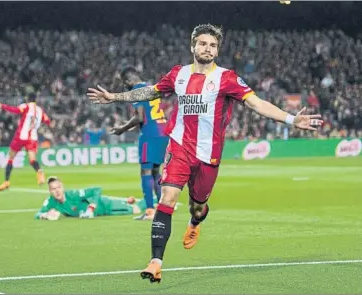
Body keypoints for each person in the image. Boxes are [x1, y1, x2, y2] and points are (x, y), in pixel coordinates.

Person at [87, 24, 323, 283]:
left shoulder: (227, 78)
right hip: (178, 147)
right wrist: (115, 97)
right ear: (193, 46)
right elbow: (151, 90)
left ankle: (195, 222)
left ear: (217, 50)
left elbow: (257, 104)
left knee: (197, 206)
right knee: (167, 197)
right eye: (203, 43)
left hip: (208, 154)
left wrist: (291, 120)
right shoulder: (178, 75)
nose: (207, 49)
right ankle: (156, 262)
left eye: (212, 45)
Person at [110, 67, 169, 221]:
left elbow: (140, 117)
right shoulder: (151, 87)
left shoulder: (137, 90)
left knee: (146, 172)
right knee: (156, 172)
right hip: (163, 132)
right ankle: (162, 209)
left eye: (125, 84)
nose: (126, 87)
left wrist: (122, 129)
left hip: (149, 134)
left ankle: (150, 211)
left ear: (129, 80)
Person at [0, 93, 51, 191]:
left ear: (27, 99)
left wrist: (2, 106)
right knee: (32, 159)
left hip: (21, 136)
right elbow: (47, 121)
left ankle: (6, 182)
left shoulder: (25, 106)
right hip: (32, 138)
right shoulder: (40, 110)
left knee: (11, 158)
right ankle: (39, 172)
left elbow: (15, 110)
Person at [35, 176, 154, 220]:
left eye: (58, 187)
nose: (57, 191)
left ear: (63, 187)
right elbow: (38, 213)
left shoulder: (73, 194)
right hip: (103, 213)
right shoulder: (51, 202)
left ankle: (161, 199)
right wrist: (44, 215)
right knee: (133, 206)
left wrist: (92, 207)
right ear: (50, 191)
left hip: (106, 205)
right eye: (53, 189)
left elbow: (97, 189)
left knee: (137, 209)